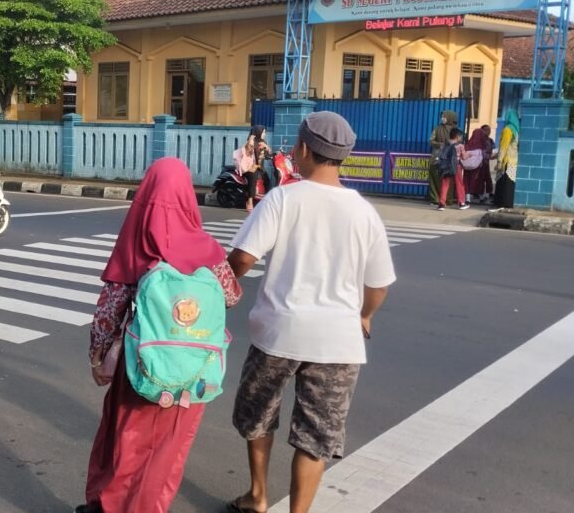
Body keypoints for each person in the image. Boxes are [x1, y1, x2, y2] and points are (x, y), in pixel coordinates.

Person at [225, 111, 395, 513]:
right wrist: (364, 316)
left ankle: (258, 496)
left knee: (259, 415)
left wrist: (222, 290)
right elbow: (378, 287)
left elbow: (242, 259)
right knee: (316, 434)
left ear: (302, 149)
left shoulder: (283, 199)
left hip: (277, 334)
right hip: (339, 342)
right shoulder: (364, 212)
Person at [78, 157, 243, 513]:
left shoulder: (134, 245)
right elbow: (230, 297)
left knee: (124, 441)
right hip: (191, 372)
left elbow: (108, 311)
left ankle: (105, 505)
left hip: (141, 367)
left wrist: (98, 357)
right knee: (168, 450)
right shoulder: (209, 252)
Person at [234, 126, 271, 213]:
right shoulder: (251, 142)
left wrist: (266, 148)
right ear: (258, 132)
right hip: (249, 167)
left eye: (265, 132)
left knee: (267, 180)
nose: (264, 134)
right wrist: (251, 141)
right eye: (263, 132)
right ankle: (249, 201)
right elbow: (248, 152)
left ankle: (265, 201)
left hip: (258, 167)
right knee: (253, 178)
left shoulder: (263, 142)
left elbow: (267, 153)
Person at [435, 128, 470, 211]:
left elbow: (441, 154)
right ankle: (461, 203)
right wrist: (469, 154)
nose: (461, 138)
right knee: (459, 184)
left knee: (444, 184)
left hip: (446, 167)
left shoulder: (445, 144)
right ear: (457, 137)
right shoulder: (460, 145)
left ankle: (441, 204)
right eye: (461, 137)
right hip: (456, 166)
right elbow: (464, 157)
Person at [427, 111, 457, 206]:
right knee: (434, 176)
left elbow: (458, 143)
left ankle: (448, 199)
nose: (442, 118)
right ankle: (435, 199)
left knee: (449, 179)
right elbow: (431, 140)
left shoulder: (455, 130)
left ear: (450, 117)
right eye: (442, 116)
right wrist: (439, 144)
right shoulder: (437, 128)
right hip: (436, 156)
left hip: (449, 157)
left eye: (444, 116)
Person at [494, 110, 520, 209]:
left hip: (507, 159)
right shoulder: (516, 130)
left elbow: (504, 146)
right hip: (514, 159)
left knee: (504, 181)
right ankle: (508, 203)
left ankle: (502, 203)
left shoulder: (507, 130)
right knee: (510, 182)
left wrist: (499, 160)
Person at [463, 124, 493, 204]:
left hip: (467, 166)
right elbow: (484, 154)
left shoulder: (468, 144)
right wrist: (491, 157)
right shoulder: (482, 144)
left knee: (467, 181)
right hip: (478, 166)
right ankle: (480, 196)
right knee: (477, 181)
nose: (488, 132)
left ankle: (468, 198)